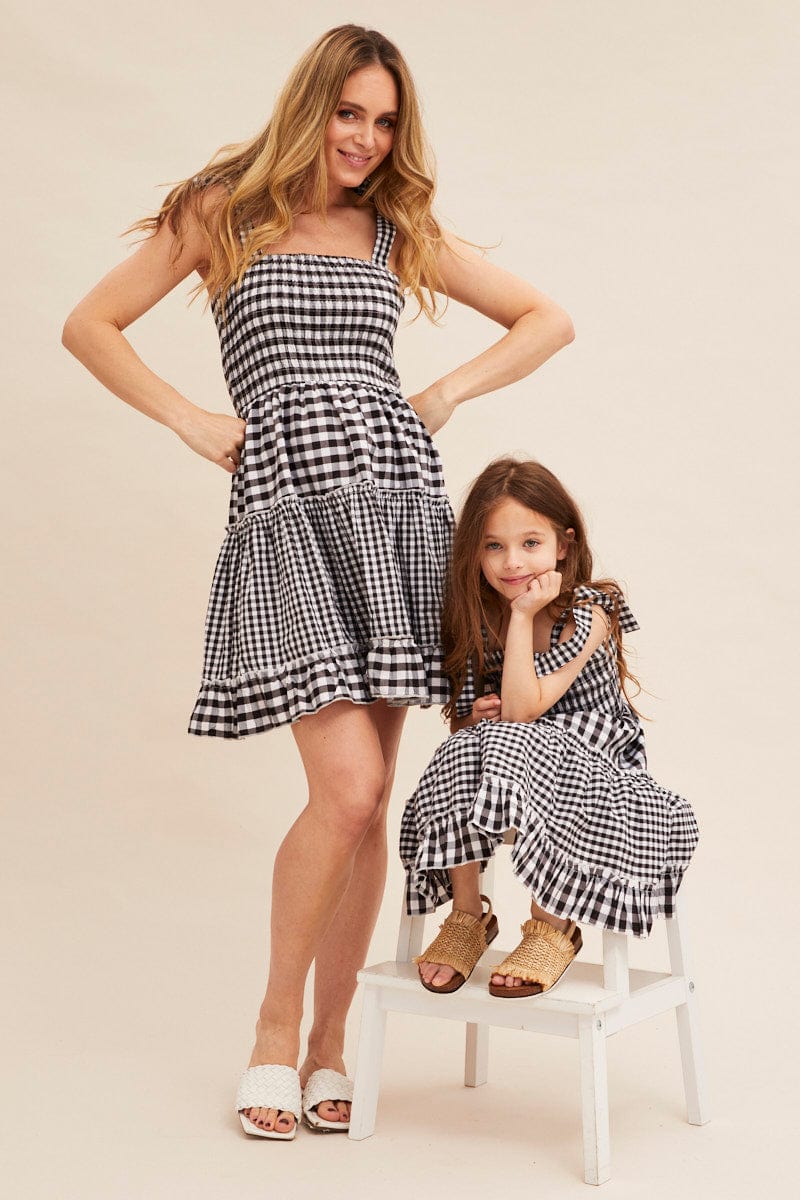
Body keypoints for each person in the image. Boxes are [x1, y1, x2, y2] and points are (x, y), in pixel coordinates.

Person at [61, 26, 574, 1138]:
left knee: (370, 799)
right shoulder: (223, 210)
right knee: (343, 790)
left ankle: (331, 1047)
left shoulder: (394, 229)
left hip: (397, 511)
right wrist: (191, 419)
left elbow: (547, 319)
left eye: (385, 122)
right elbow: (88, 325)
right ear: (311, 106)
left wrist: (441, 395)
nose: (366, 139)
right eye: (350, 113)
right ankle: (270, 1032)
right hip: (287, 516)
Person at [400, 457, 699, 996]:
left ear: (563, 545)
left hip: (597, 759)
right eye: (494, 546)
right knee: (463, 749)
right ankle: (468, 915)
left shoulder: (588, 612)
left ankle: (551, 925)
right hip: (516, 755)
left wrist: (520, 617)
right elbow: (467, 723)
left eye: (530, 543)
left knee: (518, 736)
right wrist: (476, 715)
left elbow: (524, 711)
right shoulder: (478, 616)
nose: (512, 562)